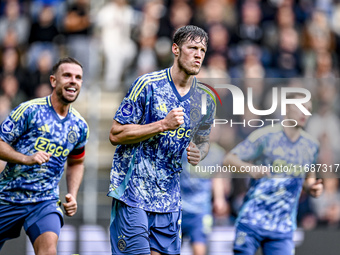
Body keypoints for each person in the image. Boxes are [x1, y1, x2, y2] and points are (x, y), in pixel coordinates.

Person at [108, 25, 215, 255]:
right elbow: (115, 134)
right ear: (175, 49)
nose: (198, 55)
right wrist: (162, 125)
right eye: (192, 48)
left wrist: (200, 152)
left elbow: (203, 140)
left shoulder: (205, 100)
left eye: (203, 50)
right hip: (133, 194)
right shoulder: (147, 85)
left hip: (170, 201)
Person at [0, 57, 89, 254]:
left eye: (78, 77)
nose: (73, 80)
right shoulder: (29, 110)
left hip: (44, 201)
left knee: (48, 250)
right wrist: (26, 158)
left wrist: (72, 195)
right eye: (67, 75)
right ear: (53, 80)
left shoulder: (80, 126)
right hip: (8, 197)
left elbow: (77, 162)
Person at [224, 94, 323, 255]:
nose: (305, 112)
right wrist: (250, 169)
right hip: (252, 220)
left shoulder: (311, 146)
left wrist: (312, 187)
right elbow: (229, 159)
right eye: (300, 107)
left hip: (282, 227)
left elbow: (308, 178)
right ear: (286, 108)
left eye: (309, 109)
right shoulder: (265, 136)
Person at [180, 124, 229, 255]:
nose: (213, 133)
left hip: (201, 210)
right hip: (179, 207)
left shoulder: (219, 153)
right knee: (171, 248)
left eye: (216, 130)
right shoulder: (185, 147)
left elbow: (217, 177)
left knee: (199, 249)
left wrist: (219, 199)